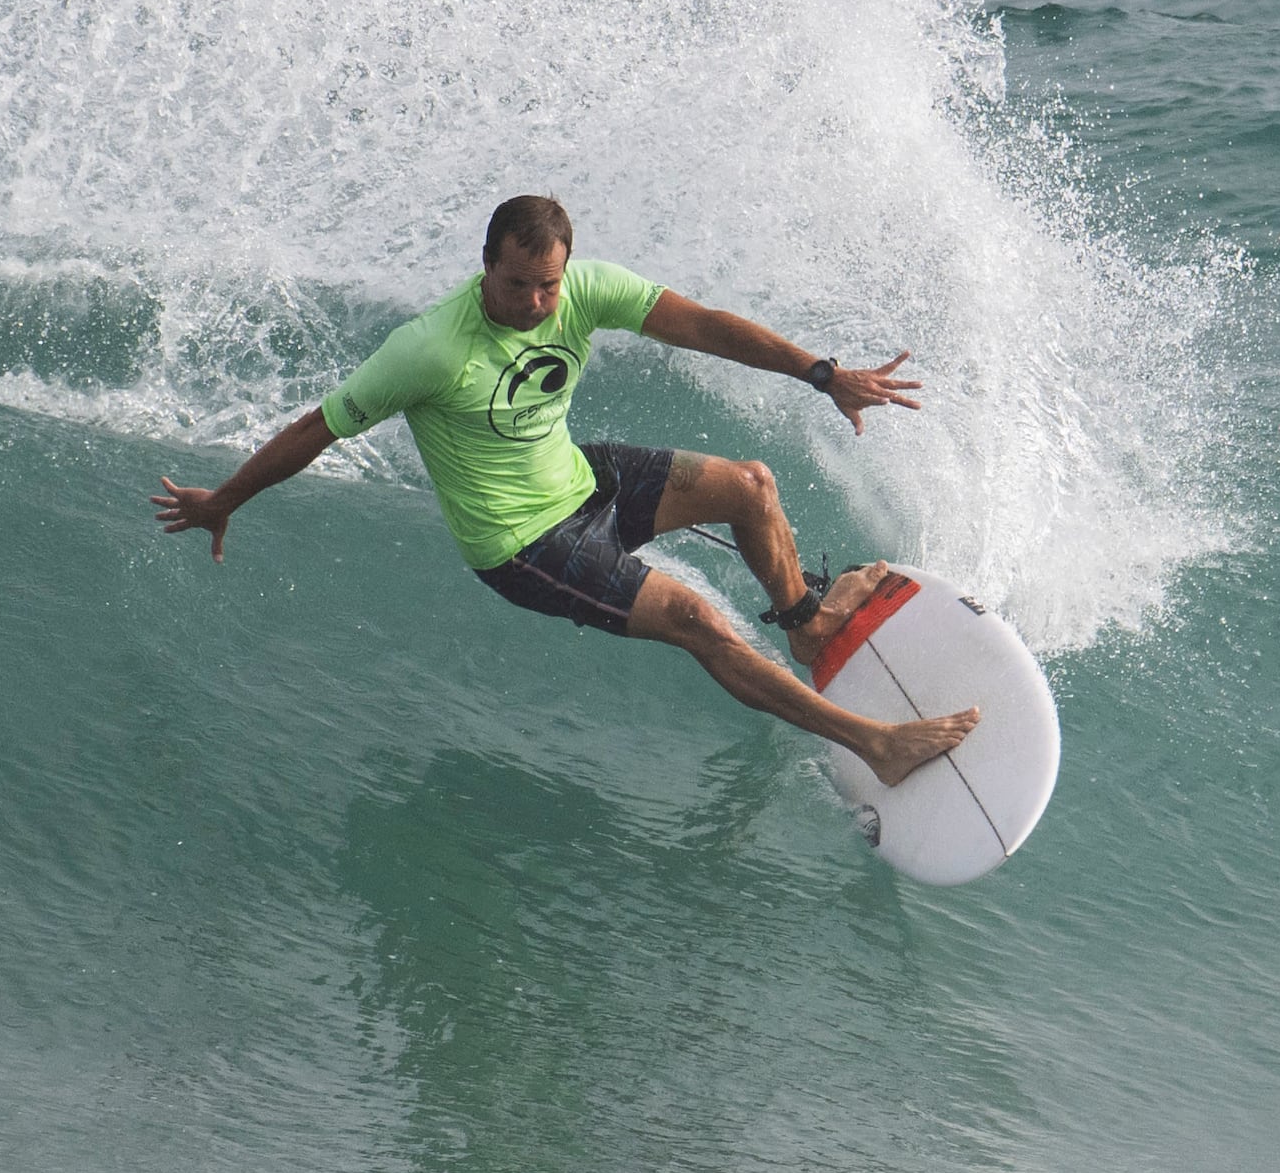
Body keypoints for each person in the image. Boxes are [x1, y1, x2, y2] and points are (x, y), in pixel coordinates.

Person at [150, 195, 978, 785]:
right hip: (522, 544)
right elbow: (315, 429)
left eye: (548, 284)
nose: (537, 303)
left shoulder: (580, 292)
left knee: (752, 487)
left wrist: (819, 373)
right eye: (518, 286)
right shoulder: (432, 349)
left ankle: (804, 626)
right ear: (486, 267)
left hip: (584, 481)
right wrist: (225, 500)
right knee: (700, 623)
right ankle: (876, 744)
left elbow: (703, 326)